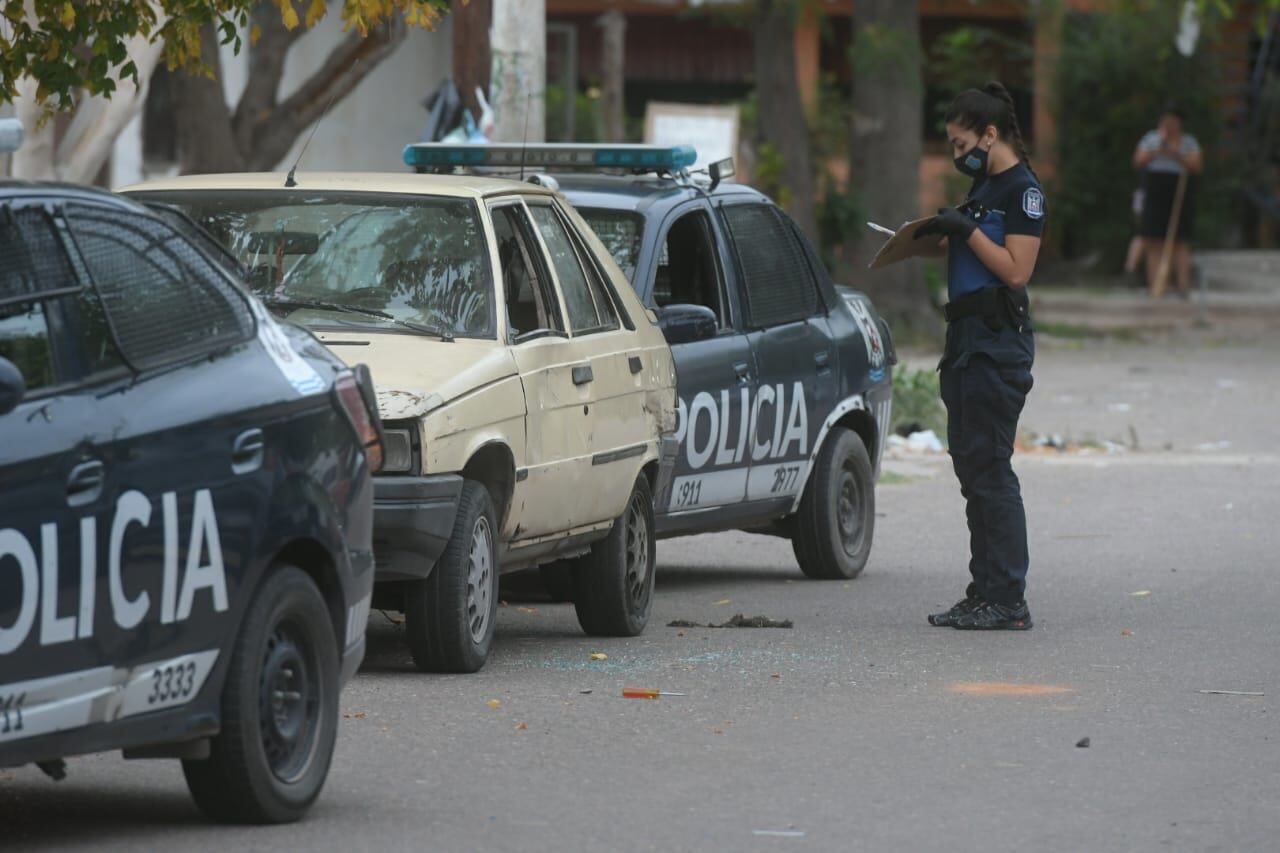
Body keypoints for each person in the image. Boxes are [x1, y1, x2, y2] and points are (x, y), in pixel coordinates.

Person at [913, 81, 1043, 630]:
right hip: (965, 340)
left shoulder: (1022, 190)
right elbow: (966, 248)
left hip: (996, 343)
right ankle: (984, 589)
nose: (956, 152)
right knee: (971, 468)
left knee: (991, 468)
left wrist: (966, 231)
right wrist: (942, 230)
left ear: (990, 135)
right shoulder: (986, 187)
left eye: (961, 141)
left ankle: (1008, 598)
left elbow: (1016, 270)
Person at [1133, 104, 1203, 297]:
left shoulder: (1188, 142)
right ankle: (1156, 286)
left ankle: (1183, 286)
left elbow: (1196, 165)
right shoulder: (1152, 139)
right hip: (1155, 190)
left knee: (1180, 241)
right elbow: (1138, 160)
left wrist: (1176, 153)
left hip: (1179, 191)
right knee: (1154, 239)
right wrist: (1158, 149)